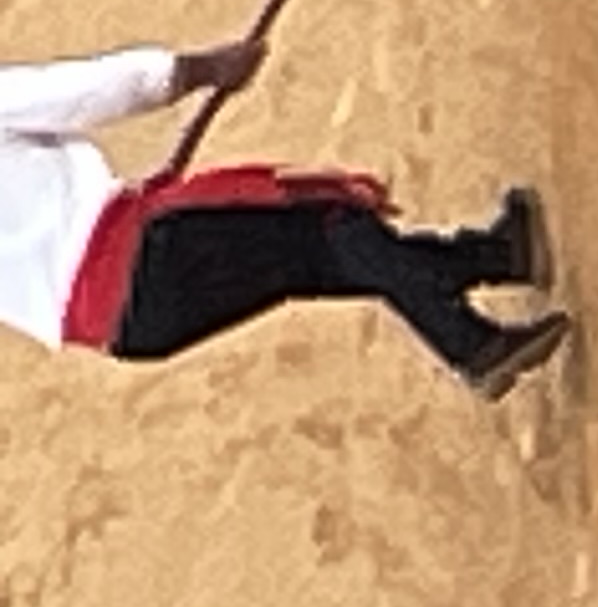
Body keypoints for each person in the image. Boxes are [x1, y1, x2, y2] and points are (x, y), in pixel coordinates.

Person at [0, 36, 568, 396]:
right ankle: (471, 344)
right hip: (142, 256)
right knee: (326, 224)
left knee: (315, 258)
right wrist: (193, 71)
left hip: (131, 331)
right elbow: (81, 92)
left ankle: (497, 256)